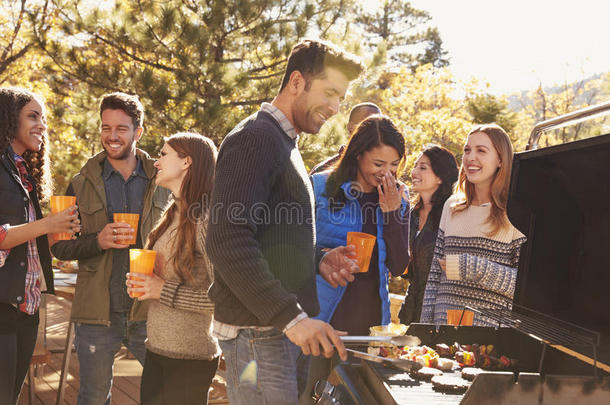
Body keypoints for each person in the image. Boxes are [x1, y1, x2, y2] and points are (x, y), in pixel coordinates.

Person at [205, 39, 364, 405]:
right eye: (329, 92)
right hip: (259, 333)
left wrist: (318, 259)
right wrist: (291, 318)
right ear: (296, 82)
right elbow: (228, 239)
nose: (336, 107)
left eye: (341, 97)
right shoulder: (256, 139)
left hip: (273, 333)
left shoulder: (282, 143)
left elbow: (267, 238)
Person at [51, 92, 170, 405]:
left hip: (151, 311)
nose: (112, 136)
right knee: (92, 397)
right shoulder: (80, 183)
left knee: (170, 393)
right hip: (97, 313)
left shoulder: (164, 178)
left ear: (138, 132)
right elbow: (59, 249)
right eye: (106, 128)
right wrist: (97, 241)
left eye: (121, 128)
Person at [126, 133, 220, 405]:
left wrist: (161, 289)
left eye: (164, 154)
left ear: (186, 162)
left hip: (190, 358)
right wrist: (143, 284)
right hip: (156, 347)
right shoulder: (172, 212)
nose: (156, 162)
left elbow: (225, 297)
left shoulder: (206, 217)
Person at [0, 87, 79, 404]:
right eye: (33, 116)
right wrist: (48, 224)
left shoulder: (22, 173)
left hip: (27, 306)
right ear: (8, 118)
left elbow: (25, 240)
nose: (42, 125)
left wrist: (56, 231)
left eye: (43, 118)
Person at [312, 115, 410, 334]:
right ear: (357, 154)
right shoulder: (319, 186)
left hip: (371, 322)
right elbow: (292, 248)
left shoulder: (400, 196)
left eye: (394, 164)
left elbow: (398, 267)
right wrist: (321, 256)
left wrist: (392, 213)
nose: (387, 172)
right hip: (322, 318)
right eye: (378, 164)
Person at [420, 124, 526, 326]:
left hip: (490, 342)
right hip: (444, 337)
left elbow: (522, 287)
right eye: (467, 150)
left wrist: (473, 267)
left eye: (481, 151)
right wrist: (426, 329)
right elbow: (434, 278)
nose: (470, 158)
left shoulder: (516, 213)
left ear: (501, 160)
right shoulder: (451, 206)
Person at [398, 145, 458, 325]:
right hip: (410, 311)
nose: (414, 172)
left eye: (423, 167)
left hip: (438, 314)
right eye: (415, 166)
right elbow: (403, 268)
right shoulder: (411, 214)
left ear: (440, 177)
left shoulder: (452, 215)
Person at [309, 102, 381, 175]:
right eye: (368, 124)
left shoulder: (386, 172)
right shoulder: (322, 171)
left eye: (379, 126)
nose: (375, 130)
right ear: (350, 127)